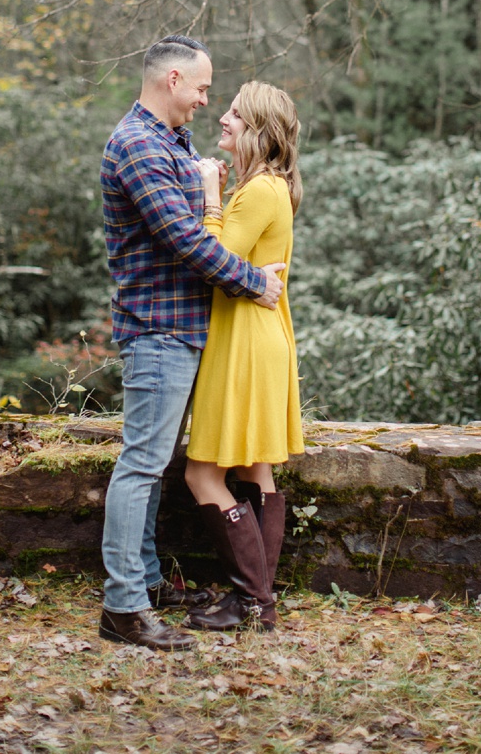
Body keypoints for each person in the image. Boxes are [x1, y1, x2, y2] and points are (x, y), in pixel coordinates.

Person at [98, 35, 286, 652]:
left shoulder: (173, 144)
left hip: (189, 329)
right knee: (141, 466)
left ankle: (147, 581)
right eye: (203, 88)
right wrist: (254, 281)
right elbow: (187, 240)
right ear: (172, 79)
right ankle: (123, 607)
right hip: (158, 329)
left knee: (155, 468)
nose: (208, 101)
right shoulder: (137, 146)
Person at [181, 81, 306, 633]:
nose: (223, 118)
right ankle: (257, 603)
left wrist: (210, 194)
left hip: (245, 343)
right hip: (259, 333)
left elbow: (215, 258)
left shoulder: (256, 191)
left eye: (234, 112)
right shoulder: (268, 186)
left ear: (257, 129)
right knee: (257, 469)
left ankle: (254, 602)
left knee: (202, 474)